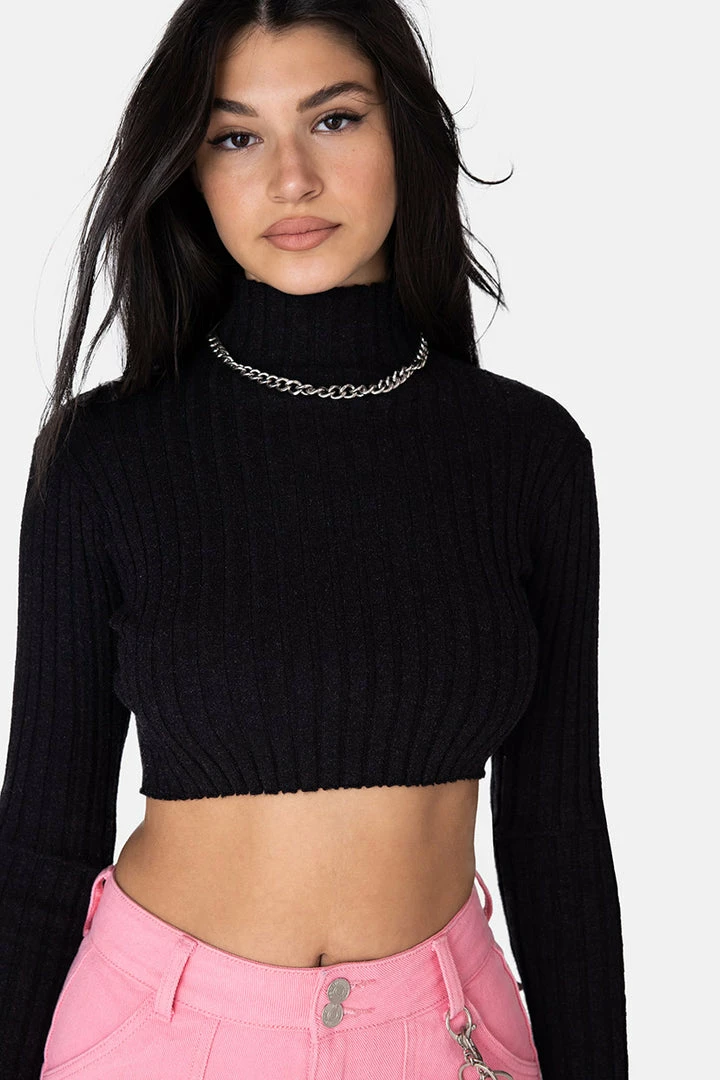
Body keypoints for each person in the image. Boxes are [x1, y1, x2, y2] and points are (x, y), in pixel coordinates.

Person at [0, 2, 628, 1078]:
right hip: (157, 1038)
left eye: (334, 120)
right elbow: (43, 843)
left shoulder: (529, 455)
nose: (290, 179)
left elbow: (557, 836)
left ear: (406, 134)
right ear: (192, 170)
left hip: (444, 1037)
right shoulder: (104, 455)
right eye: (236, 136)